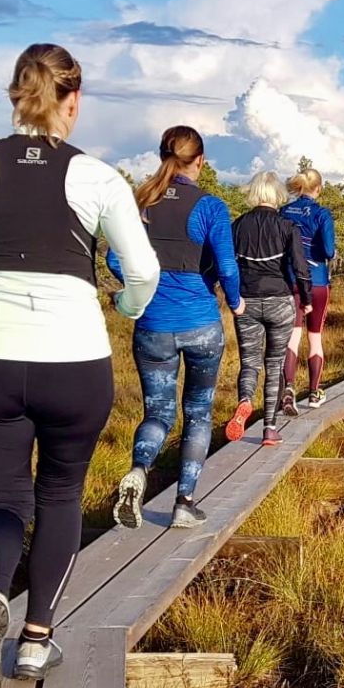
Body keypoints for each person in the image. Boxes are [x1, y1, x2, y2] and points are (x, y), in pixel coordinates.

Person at [0, 43, 159, 688]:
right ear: (74, 102)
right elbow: (145, 271)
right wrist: (126, 304)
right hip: (74, 360)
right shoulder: (99, 178)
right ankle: (38, 639)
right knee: (61, 496)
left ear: (16, 96)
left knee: (4, 499)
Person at [110, 127, 243, 531]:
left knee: (158, 413)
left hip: (152, 325)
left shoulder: (139, 203)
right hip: (201, 323)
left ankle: (138, 470)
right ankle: (184, 503)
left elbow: (115, 261)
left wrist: (141, 286)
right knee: (198, 412)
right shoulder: (210, 207)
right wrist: (235, 301)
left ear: (162, 154)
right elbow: (227, 267)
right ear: (200, 160)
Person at [224, 171, 311, 446]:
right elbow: (300, 268)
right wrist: (306, 299)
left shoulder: (237, 226)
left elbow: (226, 265)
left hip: (246, 301)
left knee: (249, 362)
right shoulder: (287, 226)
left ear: (253, 193)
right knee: (273, 364)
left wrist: (231, 297)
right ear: (277, 195)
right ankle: (270, 429)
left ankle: (245, 401)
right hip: (280, 301)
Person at [279, 166, 337, 411]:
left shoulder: (283, 212)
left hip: (290, 280)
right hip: (318, 281)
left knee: (292, 337)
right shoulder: (322, 214)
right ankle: (314, 393)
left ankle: (289, 388)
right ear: (319, 188)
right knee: (315, 337)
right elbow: (328, 250)